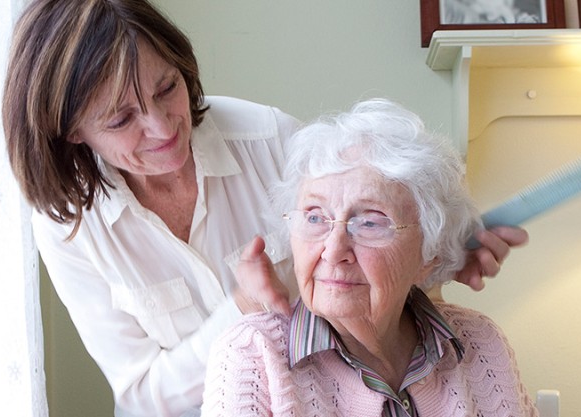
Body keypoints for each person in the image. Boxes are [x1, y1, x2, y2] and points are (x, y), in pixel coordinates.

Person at [1, 1, 529, 415]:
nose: (163, 127)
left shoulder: (267, 136)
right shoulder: (67, 226)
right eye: (121, 120)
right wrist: (242, 310)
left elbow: (369, 260)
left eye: (168, 89)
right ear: (73, 132)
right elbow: (141, 393)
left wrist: (438, 257)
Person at [201, 99, 537, 416]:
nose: (333, 251)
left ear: (430, 254)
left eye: (370, 222)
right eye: (315, 217)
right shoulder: (253, 355)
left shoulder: (479, 341)